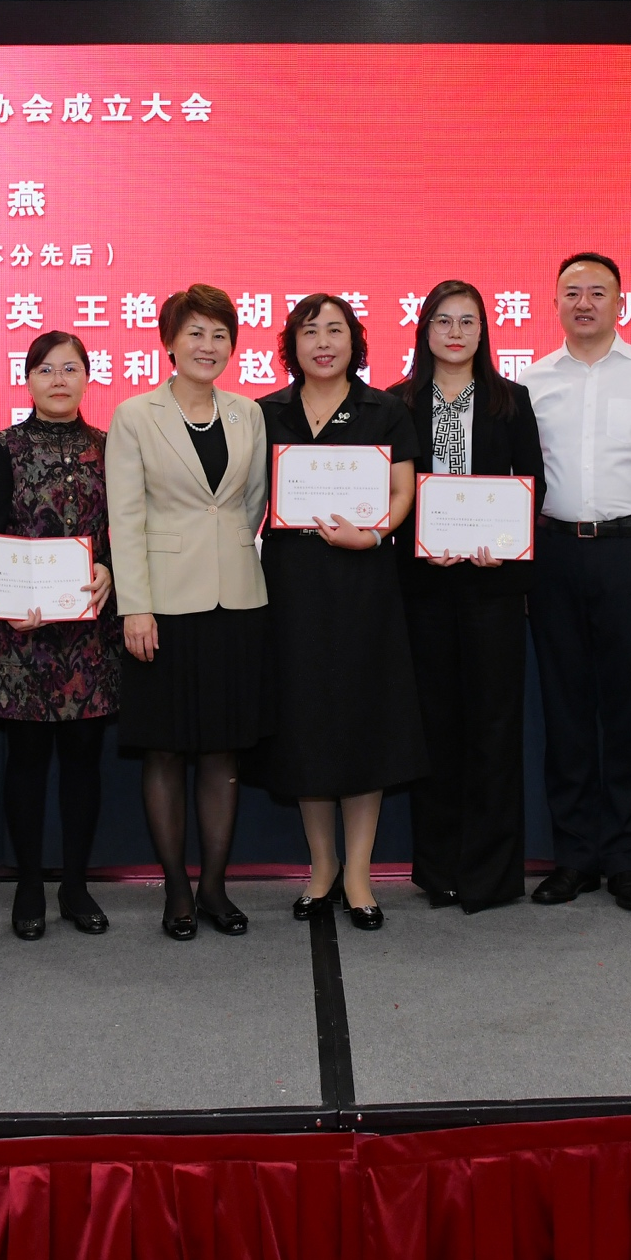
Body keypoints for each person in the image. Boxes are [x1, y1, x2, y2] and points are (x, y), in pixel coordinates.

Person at [256, 295, 431, 931]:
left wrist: (375, 532)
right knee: (305, 722)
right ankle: (322, 865)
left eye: (336, 330)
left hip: (364, 582)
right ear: (292, 345)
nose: (323, 342)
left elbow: (403, 489)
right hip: (291, 584)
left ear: (355, 342)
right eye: (310, 331)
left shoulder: (385, 409)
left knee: (364, 720)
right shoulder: (265, 413)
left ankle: (359, 872)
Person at [106, 285, 272, 940]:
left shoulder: (247, 414)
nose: (208, 345)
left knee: (224, 751)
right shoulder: (134, 415)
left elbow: (252, 502)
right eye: (195, 333)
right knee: (166, 751)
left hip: (237, 601)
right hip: (163, 607)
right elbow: (125, 517)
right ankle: (176, 888)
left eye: (220, 334)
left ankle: (215, 887)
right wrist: (135, 607)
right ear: (169, 342)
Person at [523, 254, 631, 914]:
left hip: (629, 550)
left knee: (626, 709)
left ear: (621, 302)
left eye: (598, 292)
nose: (584, 302)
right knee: (564, 709)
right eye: (572, 292)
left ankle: (626, 859)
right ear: (555, 303)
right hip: (554, 552)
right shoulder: (531, 379)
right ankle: (573, 857)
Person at [395, 281, 543, 913]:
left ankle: (491, 874)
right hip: (423, 588)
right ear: (425, 330)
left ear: (484, 331)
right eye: (443, 321)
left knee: (494, 727)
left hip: (492, 587)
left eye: (468, 322)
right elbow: (390, 493)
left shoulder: (511, 400)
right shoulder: (398, 402)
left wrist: (503, 542)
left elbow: (532, 486)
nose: (455, 333)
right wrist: (418, 541)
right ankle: (439, 871)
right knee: (434, 728)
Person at [0, 332, 120, 940]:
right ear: (27, 379)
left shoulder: (111, 447)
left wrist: (111, 568)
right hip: (20, 634)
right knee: (27, 762)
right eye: (46, 370)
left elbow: (127, 527)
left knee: (84, 761)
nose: (59, 380)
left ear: (88, 377)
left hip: (89, 630)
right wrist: (7, 599)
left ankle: (76, 885)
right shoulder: (2, 448)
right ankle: (29, 883)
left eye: (71, 369)